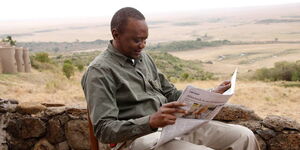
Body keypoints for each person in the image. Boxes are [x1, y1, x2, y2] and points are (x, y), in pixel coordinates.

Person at [81, 7, 260, 150]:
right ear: (115, 34)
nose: (142, 45)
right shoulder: (99, 71)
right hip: (136, 140)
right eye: (136, 40)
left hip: (171, 128)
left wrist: (211, 94)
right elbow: (104, 130)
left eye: (145, 39)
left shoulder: (143, 58)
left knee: (244, 137)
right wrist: (150, 121)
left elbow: (171, 93)